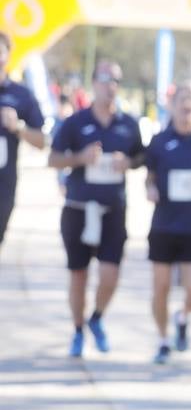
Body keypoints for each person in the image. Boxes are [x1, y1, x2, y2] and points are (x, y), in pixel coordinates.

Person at [48, 59, 146, 357]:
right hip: (79, 207)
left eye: (115, 79)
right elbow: (53, 159)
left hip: (112, 209)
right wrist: (80, 157)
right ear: (94, 84)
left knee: (110, 274)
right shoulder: (75, 122)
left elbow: (142, 156)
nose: (110, 85)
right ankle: (77, 330)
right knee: (78, 274)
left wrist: (127, 163)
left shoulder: (128, 124)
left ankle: (97, 318)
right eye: (104, 79)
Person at [142, 79, 191, 364]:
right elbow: (149, 176)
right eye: (182, 99)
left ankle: (183, 315)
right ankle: (163, 340)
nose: (187, 104)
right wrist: (150, 189)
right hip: (165, 224)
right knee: (160, 288)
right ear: (172, 106)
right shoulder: (160, 141)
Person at [0, 31, 48, 257]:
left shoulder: (21, 95)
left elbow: (42, 141)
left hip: (3, 184)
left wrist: (18, 127)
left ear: (8, 56)